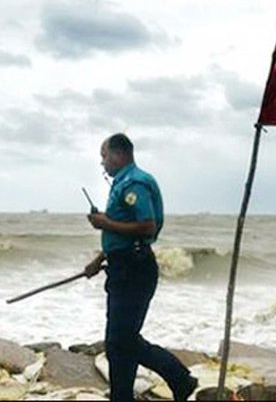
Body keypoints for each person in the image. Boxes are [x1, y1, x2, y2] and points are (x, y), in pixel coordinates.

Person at [84, 133, 198, 402]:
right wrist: (99, 259)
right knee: (120, 341)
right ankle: (123, 396)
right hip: (123, 266)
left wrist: (104, 223)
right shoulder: (122, 182)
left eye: (104, 156)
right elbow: (123, 235)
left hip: (135, 269)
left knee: (121, 340)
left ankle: (180, 379)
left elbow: (147, 226)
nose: (102, 163)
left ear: (119, 154)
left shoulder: (135, 183)